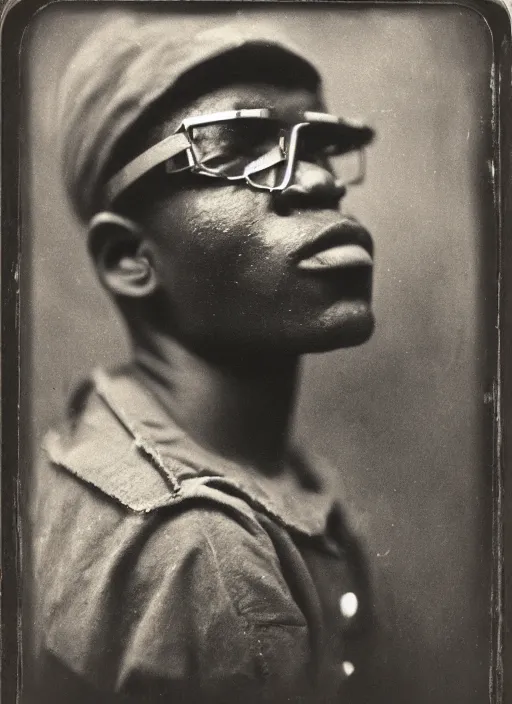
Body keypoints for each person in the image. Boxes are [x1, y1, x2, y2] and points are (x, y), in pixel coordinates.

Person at [31, 11, 392, 704]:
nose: (317, 181)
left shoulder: (121, 427)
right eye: (240, 146)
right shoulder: (204, 559)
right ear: (131, 259)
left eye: (319, 144)